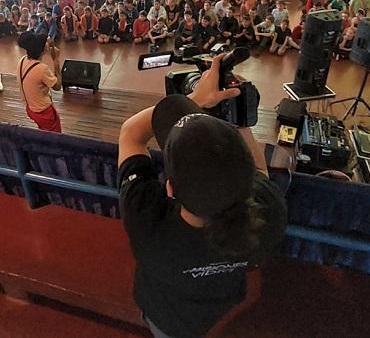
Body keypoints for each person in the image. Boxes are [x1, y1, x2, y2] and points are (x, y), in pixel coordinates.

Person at [117, 54, 287, 338]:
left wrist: (196, 98)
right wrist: (237, 114)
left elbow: (131, 134)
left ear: (169, 189)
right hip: (223, 308)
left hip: (166, 319)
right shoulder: (269, 212)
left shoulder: (146, 221)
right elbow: (259, 173)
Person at [17, 31, 62, 132]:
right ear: (42, 50)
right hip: (43, 111)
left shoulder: (22, 60)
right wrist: (56, 60)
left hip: (30, 108)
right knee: (55, 136)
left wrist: (52, 44)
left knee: (43, 132)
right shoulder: (42, 69)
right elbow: (58, 86)